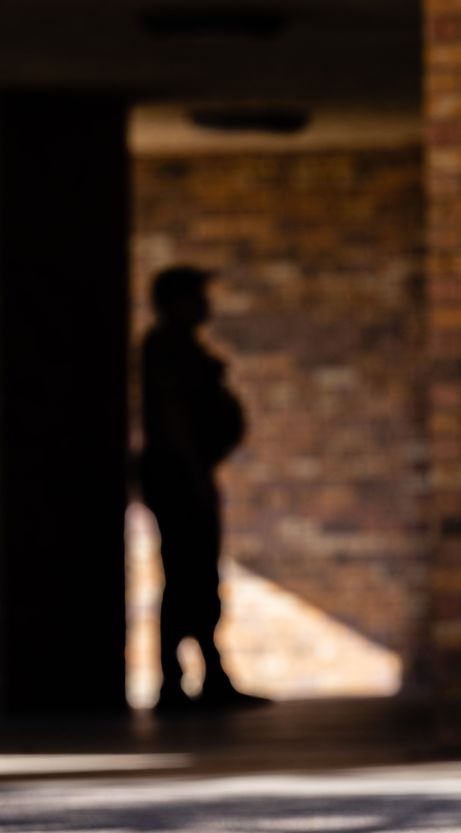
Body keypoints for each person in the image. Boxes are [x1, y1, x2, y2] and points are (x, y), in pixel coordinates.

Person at [141, 266, 263, 711]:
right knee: (185, 576)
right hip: (179, 476)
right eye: (195, 296)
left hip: (188, 472)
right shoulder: (165, 349)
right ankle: (175, 681)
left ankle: (208, 672)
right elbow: (172, 419)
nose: (205, 305)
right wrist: (193, 475)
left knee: (197, 576)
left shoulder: (180, 348)